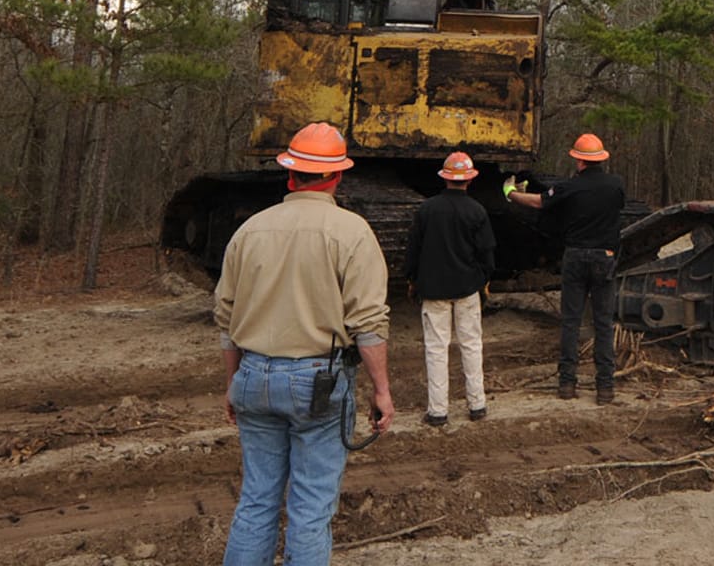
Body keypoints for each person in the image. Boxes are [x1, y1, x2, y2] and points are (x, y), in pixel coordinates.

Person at [214, 122, 393, 566]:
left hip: (253, 376)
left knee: (256, 500)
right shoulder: (352, 232)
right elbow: (369, 322)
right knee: (310, 509)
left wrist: (233, 382)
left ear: (290, 173)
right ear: (337, 176)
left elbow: (226, 317)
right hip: (317, 381)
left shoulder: (250, 230)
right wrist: (382, 391)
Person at [505, 132, 626, 403]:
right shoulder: (616, 185)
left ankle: (567, 384)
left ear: (579, 161)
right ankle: (605, 388)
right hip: (605, 257)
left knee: (571, 322)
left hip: (575, 257)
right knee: (603, 323)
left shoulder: (569, 187)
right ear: (600, 159)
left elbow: (539, 202)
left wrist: (512, 194)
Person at [406, 151, 496, 427]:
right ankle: (477, 405)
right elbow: (487, 253)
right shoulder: (477, 211)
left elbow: (414, 250)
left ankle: (438, 411)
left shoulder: (427, 210)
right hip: (467, 289)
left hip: (433, 291)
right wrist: (482, 280)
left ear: (445, 178)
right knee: (471, 345)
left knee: (436, 349)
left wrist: (412, 280)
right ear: (470, 179)